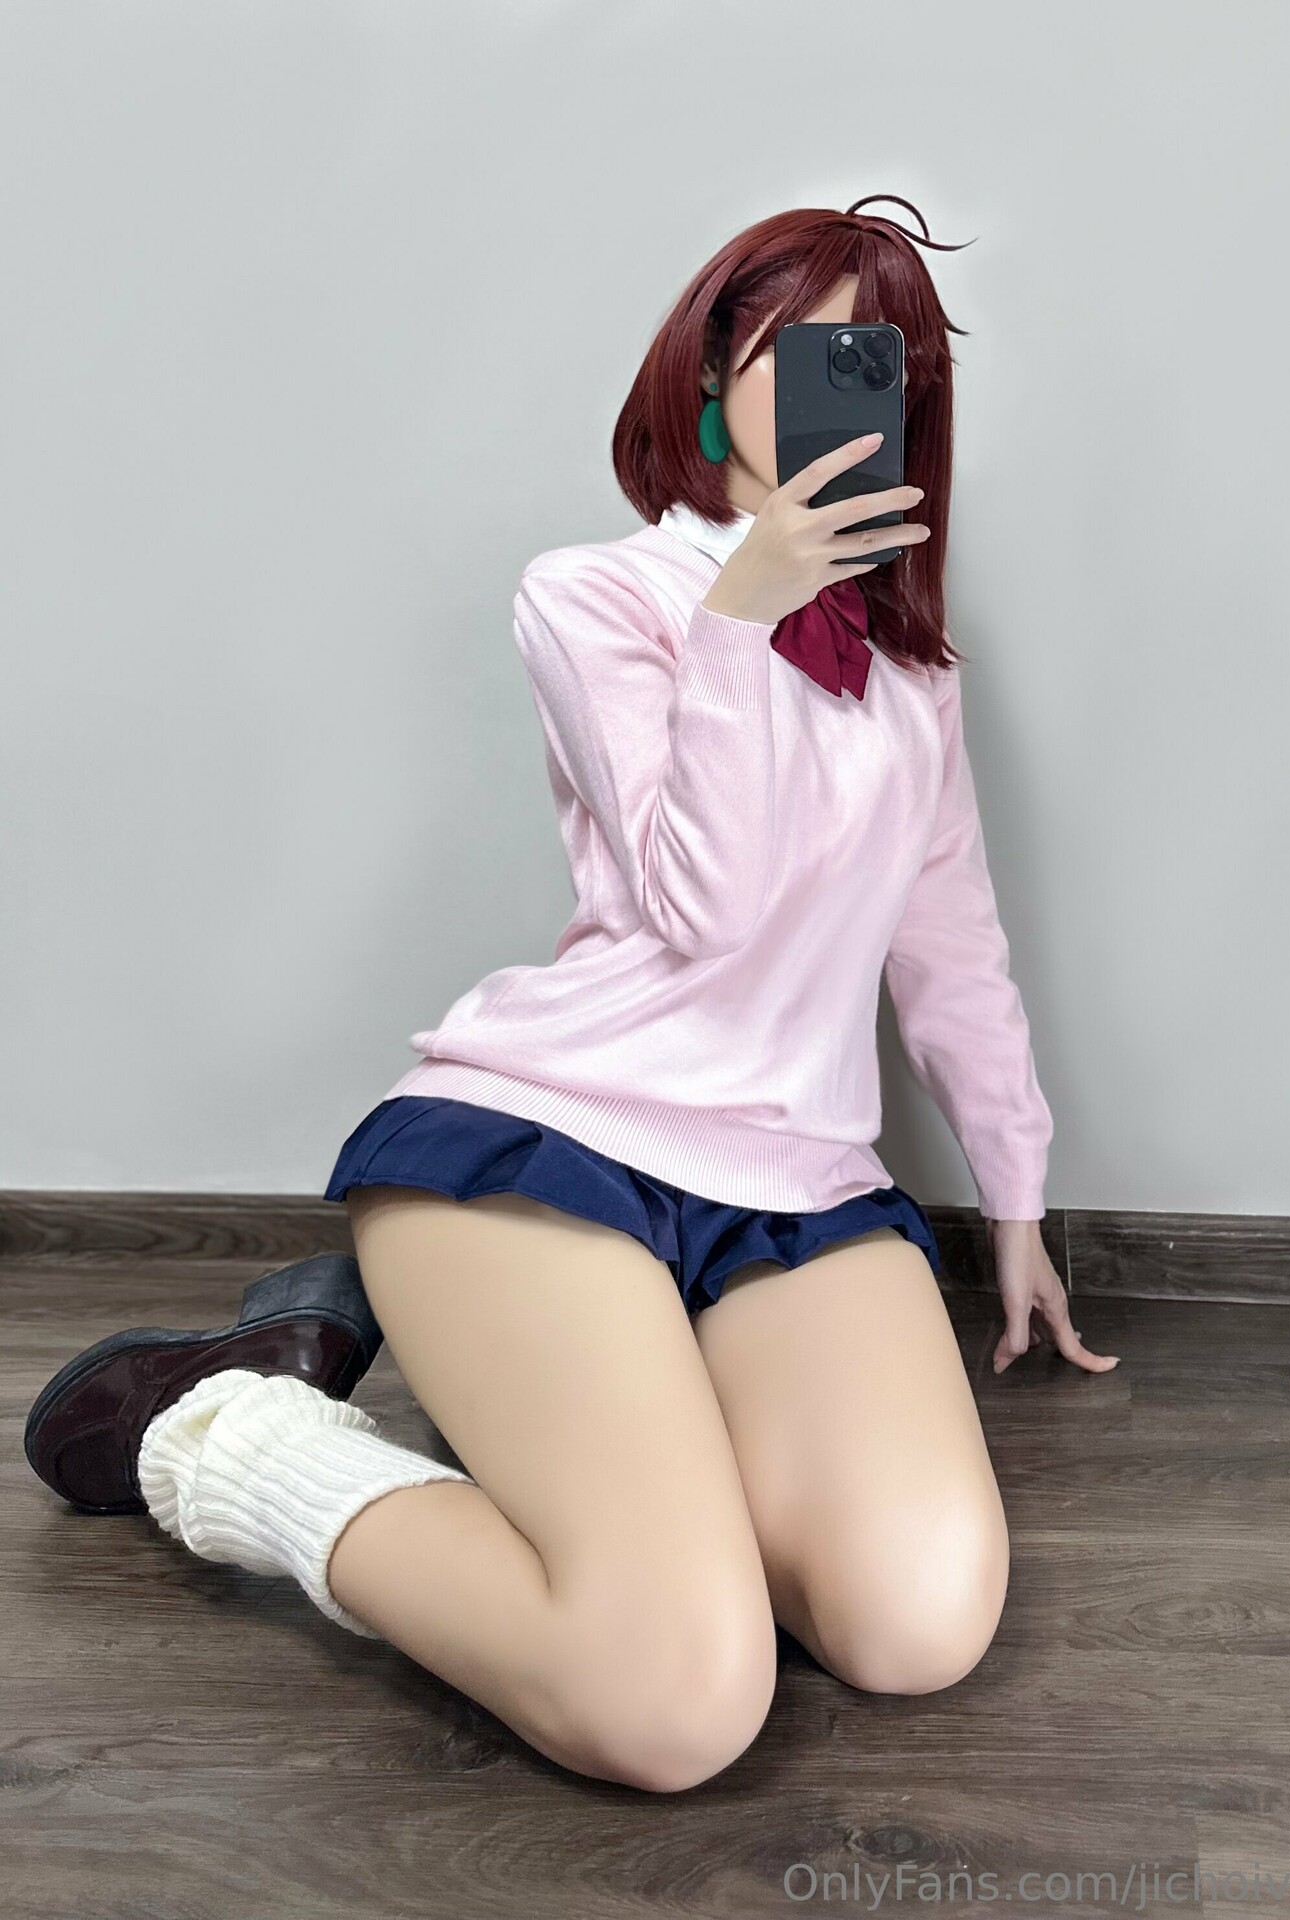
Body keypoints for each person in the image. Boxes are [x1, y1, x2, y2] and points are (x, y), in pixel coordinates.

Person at [25, 194, 1119, 1798]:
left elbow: (950, 950)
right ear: (709, 378)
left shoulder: (907, 680)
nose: (837, 388)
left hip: (796, 1187)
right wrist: (738, 621)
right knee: (669, 1704)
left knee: (915, 1626)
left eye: (874, 362)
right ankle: (228, 1431)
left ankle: (629, 1458)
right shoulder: (597, 597)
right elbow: (703, 909)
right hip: (552, 1145)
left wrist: (1015, 1204)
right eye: (793, 352)